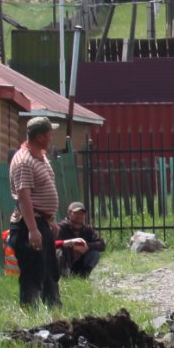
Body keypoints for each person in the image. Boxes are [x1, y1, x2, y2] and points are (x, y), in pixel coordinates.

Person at [8, 117, 61, 307]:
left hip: (42, 221)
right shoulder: (24, 161)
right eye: (49, 134)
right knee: (33, 271)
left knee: (49, 270)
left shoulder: (40, 156)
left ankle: (53, 307)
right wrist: (32, 229)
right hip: (28, 224)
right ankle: (30, 310)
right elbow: (24, 197)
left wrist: (51, 219)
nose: (52, 137)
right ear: (39, 137)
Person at [54, 201, 105, 277]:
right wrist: (71, 247)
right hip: (65, 261)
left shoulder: (87, 229)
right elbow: (53, 244)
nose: (80, 216)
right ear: (69, 214)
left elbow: (101, 244)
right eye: (76, 213)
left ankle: (84, 275)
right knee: (58, 252)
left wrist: (85, 246)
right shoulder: (61, 228)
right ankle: (63, 274)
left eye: (82, 213)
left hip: (81, 261)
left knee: (95, 253)